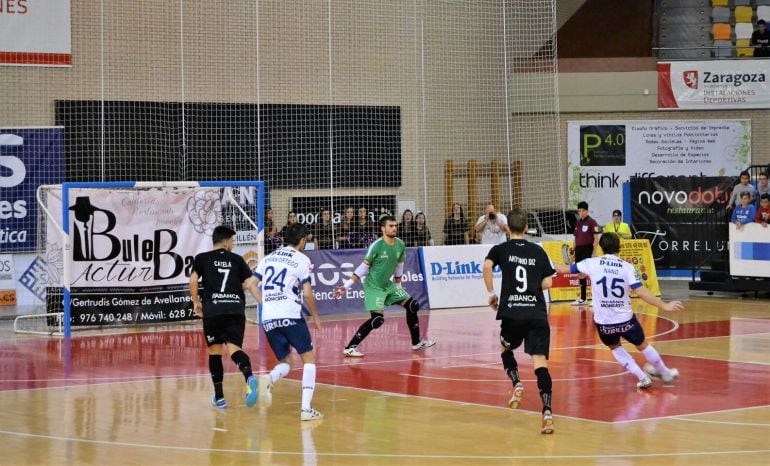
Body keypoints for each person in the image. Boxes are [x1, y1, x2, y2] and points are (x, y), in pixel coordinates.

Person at [554, 232, 683, 390]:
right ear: (619, 247)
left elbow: (561, 268)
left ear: (601, 248)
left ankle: (642, 377)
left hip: (604, 323)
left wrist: (543, 260)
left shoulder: (591, 263)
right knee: (642, 345)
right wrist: (664, 305)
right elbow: (641, 292)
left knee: (615, 347)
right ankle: (665, 373)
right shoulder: (627, 267)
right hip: (626, 320)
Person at [482, 208, 556, 435]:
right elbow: (548, 284)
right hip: (536, 314)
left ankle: (517, 383)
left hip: (513, 313)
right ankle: (547, 413)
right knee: (540, 363)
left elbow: (486, 266)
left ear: (507, 228)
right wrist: (534, 282)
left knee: (505, 348)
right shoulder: (538, 251)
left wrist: (492, 293)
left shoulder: (501, 249)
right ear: (526, 228)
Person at [334, 214, 435, 357]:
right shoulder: (376, 246)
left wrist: (398, 286)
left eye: (395, 226)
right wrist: (347, 285)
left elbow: (399, 267)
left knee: (413, 305)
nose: (394, 228)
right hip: (373, 286)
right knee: (377, 320)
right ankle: (350, 347)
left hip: (388, 285)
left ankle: (417, 342)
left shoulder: (400, 244)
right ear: (383, 229)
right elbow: (363, 268)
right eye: (391, 226)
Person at [255, 223, 324, 421]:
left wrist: (265, 303)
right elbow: (308, 293)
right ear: (303, 241)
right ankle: (305, 409)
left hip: (268, 318)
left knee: (286, 361)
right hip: (291, 316)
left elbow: (250, 284)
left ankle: (269, 378)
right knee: (308, 359)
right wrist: (316, 316)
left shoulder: (268, 258)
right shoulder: (302, 259)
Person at [189, 225, 262, 409]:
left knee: (215, 352)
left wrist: (196, 302)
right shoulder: (237, 260)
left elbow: (193, 279)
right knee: (234, 349)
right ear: (227, 241)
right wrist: (263, 303)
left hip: (213, 310)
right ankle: (249, 377)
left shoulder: (202, 258)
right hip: (235, 310)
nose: (234, 244)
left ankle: (220, 398)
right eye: (233, 241)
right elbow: (250, 284)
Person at [572, 201, 599, 305]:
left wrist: (594, 252)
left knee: (591, 274)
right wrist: (572, 251)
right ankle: (583, 299)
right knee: (580, 274)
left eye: (583, 210)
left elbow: (596, 238)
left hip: (588, 249)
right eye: (579, 211)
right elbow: (575, 239)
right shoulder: (578, 223)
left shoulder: (592, 222)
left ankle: (595, 299)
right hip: (579, 250)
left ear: (587, 211)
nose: (581, 213)